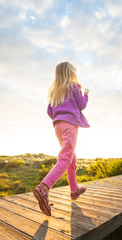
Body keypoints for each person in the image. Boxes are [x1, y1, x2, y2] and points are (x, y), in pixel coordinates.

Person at [33, 62, 90, 216]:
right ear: (71, 73)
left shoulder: (54, 92)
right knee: (65, 158)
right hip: (70, 125)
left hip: (58, 126)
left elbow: (49, 111)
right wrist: (85, 94)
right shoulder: (74, 86)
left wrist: (59, 117)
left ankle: (74, 190)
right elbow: (82, 105)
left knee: (71, 157)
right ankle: (44, 188)